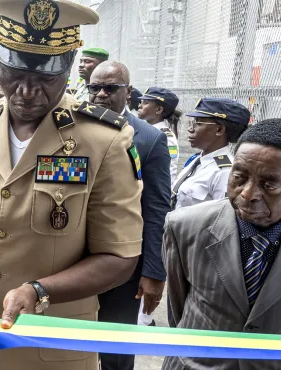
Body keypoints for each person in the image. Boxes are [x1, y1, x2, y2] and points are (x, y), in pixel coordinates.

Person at [0, 0, 143, 368]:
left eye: (45, 79)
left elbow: (120, 257)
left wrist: (40, 290)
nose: (26, 91)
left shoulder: (104, 140)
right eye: (13, 74)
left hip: (51, 348)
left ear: (68, 71)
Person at [163, 119, 281, 370]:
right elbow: (178, 306)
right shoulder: (185, 226)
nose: (247, 194)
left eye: (269, 184)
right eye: (239, 176)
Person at [88, 61, 171, 370]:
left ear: (128, 92)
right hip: (72, 258)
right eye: (94, 88)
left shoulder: (148, 139)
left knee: (116, 347)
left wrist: (153, 272)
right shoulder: (71, 129)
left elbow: (156, 210)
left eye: (110, 88)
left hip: (121, 263)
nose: (100, 95)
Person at [172, 98, 250, 210]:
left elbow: (220, 217)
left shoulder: (224, 171)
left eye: (197, 123)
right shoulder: (198, 159)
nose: (190, 129)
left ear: (219, 130)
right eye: (192, 123)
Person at [137, 87, 181, 184]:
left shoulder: (166, 137)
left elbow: (170, 169)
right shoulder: (146, 129)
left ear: (159, 109)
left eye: (146, 103)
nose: (140, 106)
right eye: (141, 102)